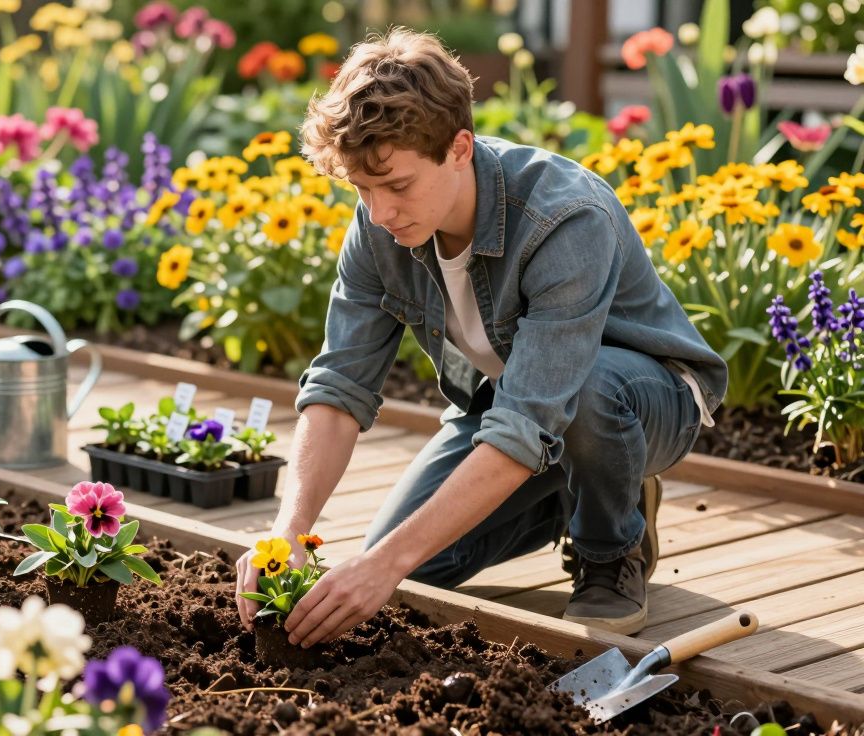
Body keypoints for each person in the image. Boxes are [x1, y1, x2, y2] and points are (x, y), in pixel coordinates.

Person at [233, 28, 727, 642]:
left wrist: (382, 566)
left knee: (589, 394)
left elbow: (530, 417)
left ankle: (610, 550)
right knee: (418, 570)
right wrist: (289, 530)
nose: (379, 212)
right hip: (514, 402)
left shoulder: (564, 218)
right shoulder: (379, 224)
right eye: (362, 189)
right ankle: (573, 492)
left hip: (642, 399)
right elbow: (338, 385)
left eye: (396, 185)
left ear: (460, 148)